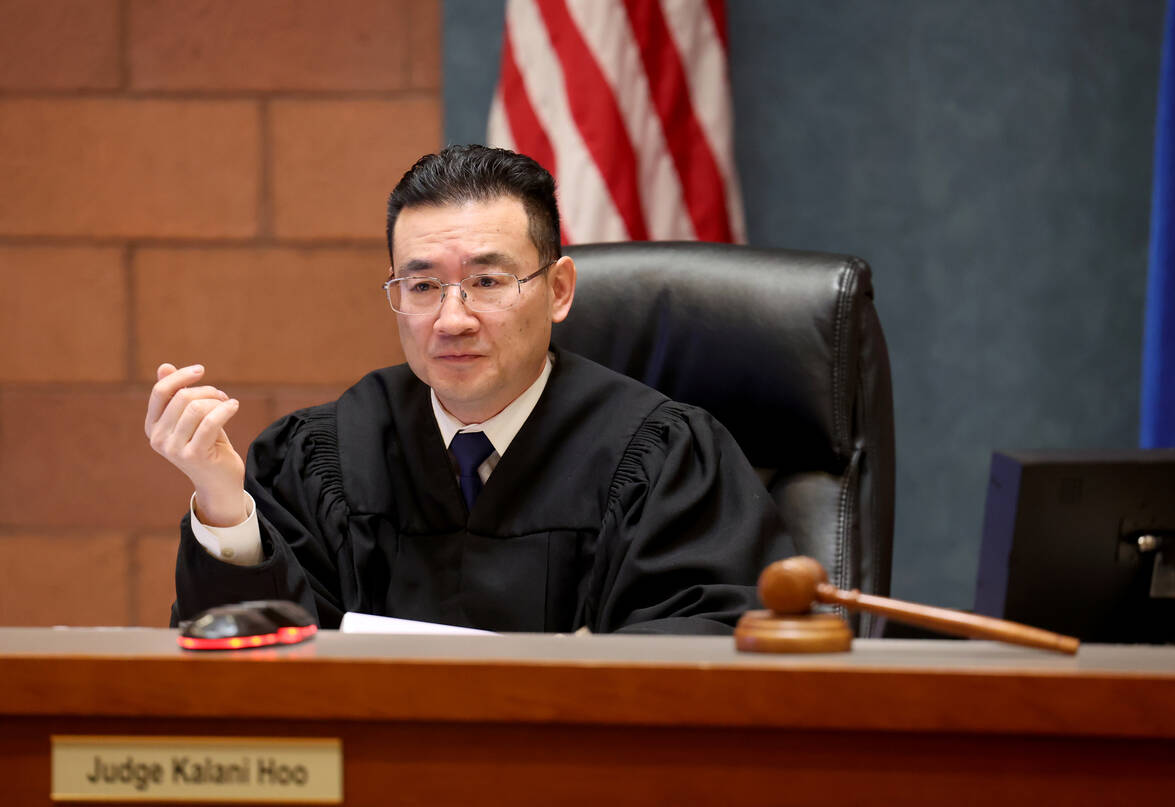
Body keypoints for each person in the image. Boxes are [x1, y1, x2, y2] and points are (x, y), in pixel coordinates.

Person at [146, 145, 796, 634]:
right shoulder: (326, 455)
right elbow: (251, 662)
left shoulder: (662, 457)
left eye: (487, 281)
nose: (451, 319)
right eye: (422, 285)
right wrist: (224, 503)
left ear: (559, 289)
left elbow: (714, 645)